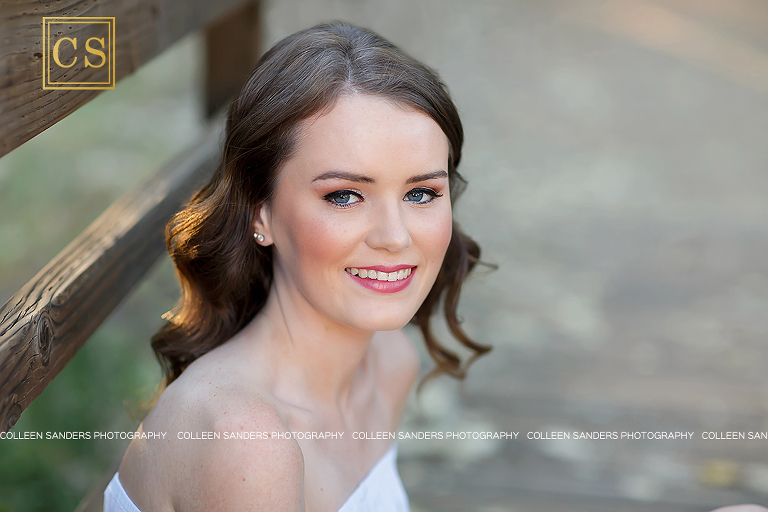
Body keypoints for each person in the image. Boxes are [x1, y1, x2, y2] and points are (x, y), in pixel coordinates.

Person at [103, 22, 491, 512]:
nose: (395, 237)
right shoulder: (248, 445)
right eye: (344, 196)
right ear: (259, 213)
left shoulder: (390, 364)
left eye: (421, 193)